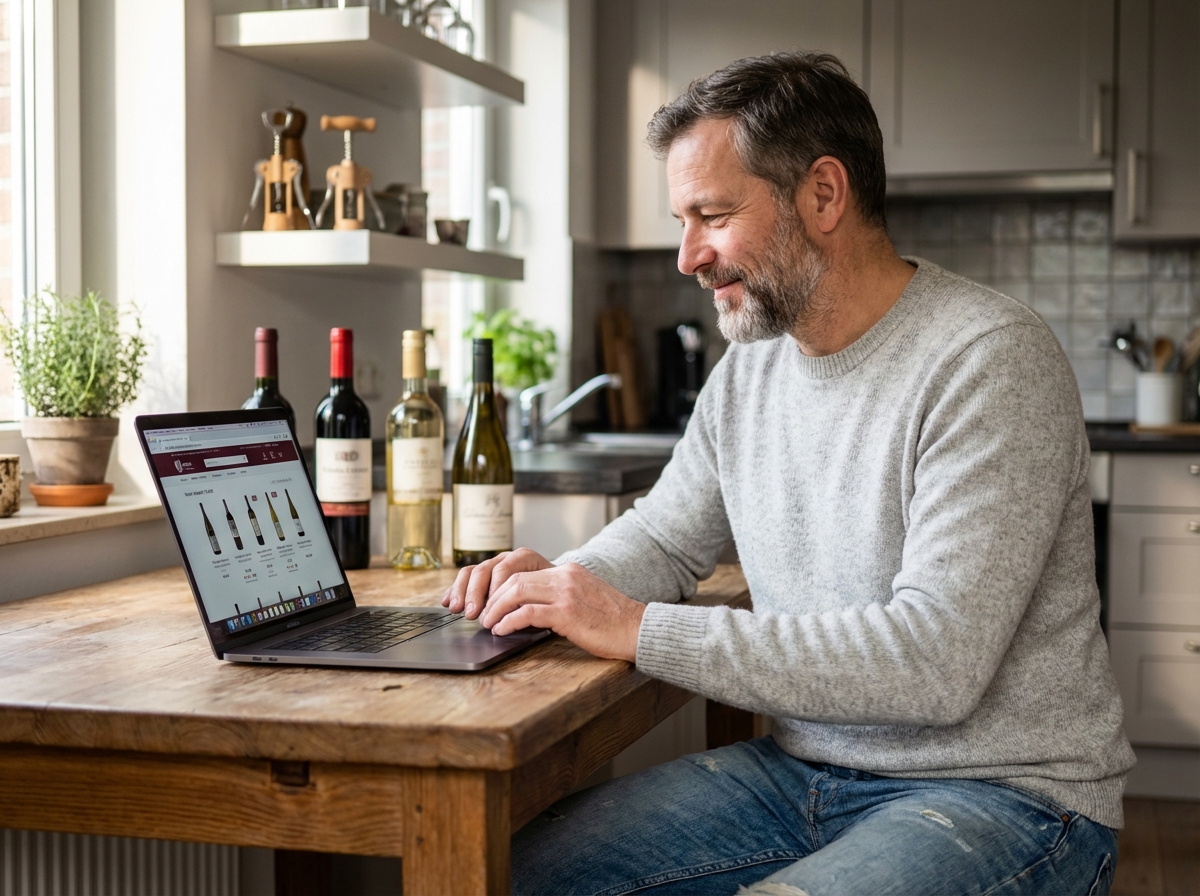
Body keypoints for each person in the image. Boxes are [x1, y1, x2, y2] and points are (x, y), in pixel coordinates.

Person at [442, 52, 1133, 896]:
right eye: (680, 220)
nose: (688, 255)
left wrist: (639, 628)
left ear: (824, 194)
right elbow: (665, 534)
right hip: (803, 775)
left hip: (1007, 795)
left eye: (713, 214)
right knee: (512, 873)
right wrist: (561, 586)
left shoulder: (988, 359)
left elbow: (935, 661)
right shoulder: (751, 370)